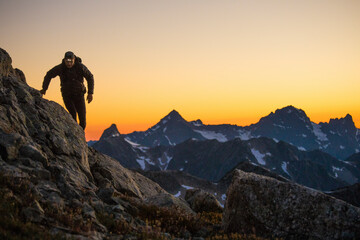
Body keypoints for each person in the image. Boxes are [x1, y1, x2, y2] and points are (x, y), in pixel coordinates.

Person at [40, 51, 94, 130]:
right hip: (67, 96)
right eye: (67, 61)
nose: (69, 64)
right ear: (64, 60)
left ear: (74, 59)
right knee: (72, 117)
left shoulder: (80, 67)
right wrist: (44, 88)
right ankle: (75, 137)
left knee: (82, 120)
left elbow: (90, 77)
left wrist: (90, 93)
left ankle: (80, 138)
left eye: (71, 61)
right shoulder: (61, 68)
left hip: (79, 95)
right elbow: (49, 75)